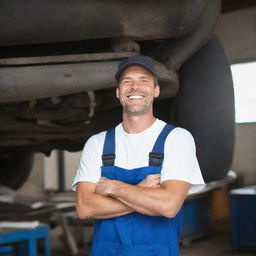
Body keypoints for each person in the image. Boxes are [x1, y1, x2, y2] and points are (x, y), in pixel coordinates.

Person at [72, 55, 205, 256]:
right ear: (118, 92)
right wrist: (142, 193)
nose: (135, 87)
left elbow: (168, 206)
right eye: (127, 81)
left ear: (156, 90)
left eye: (144, 80)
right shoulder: (97, 143)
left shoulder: (177, 139)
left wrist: (112, 187)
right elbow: (85, 208)